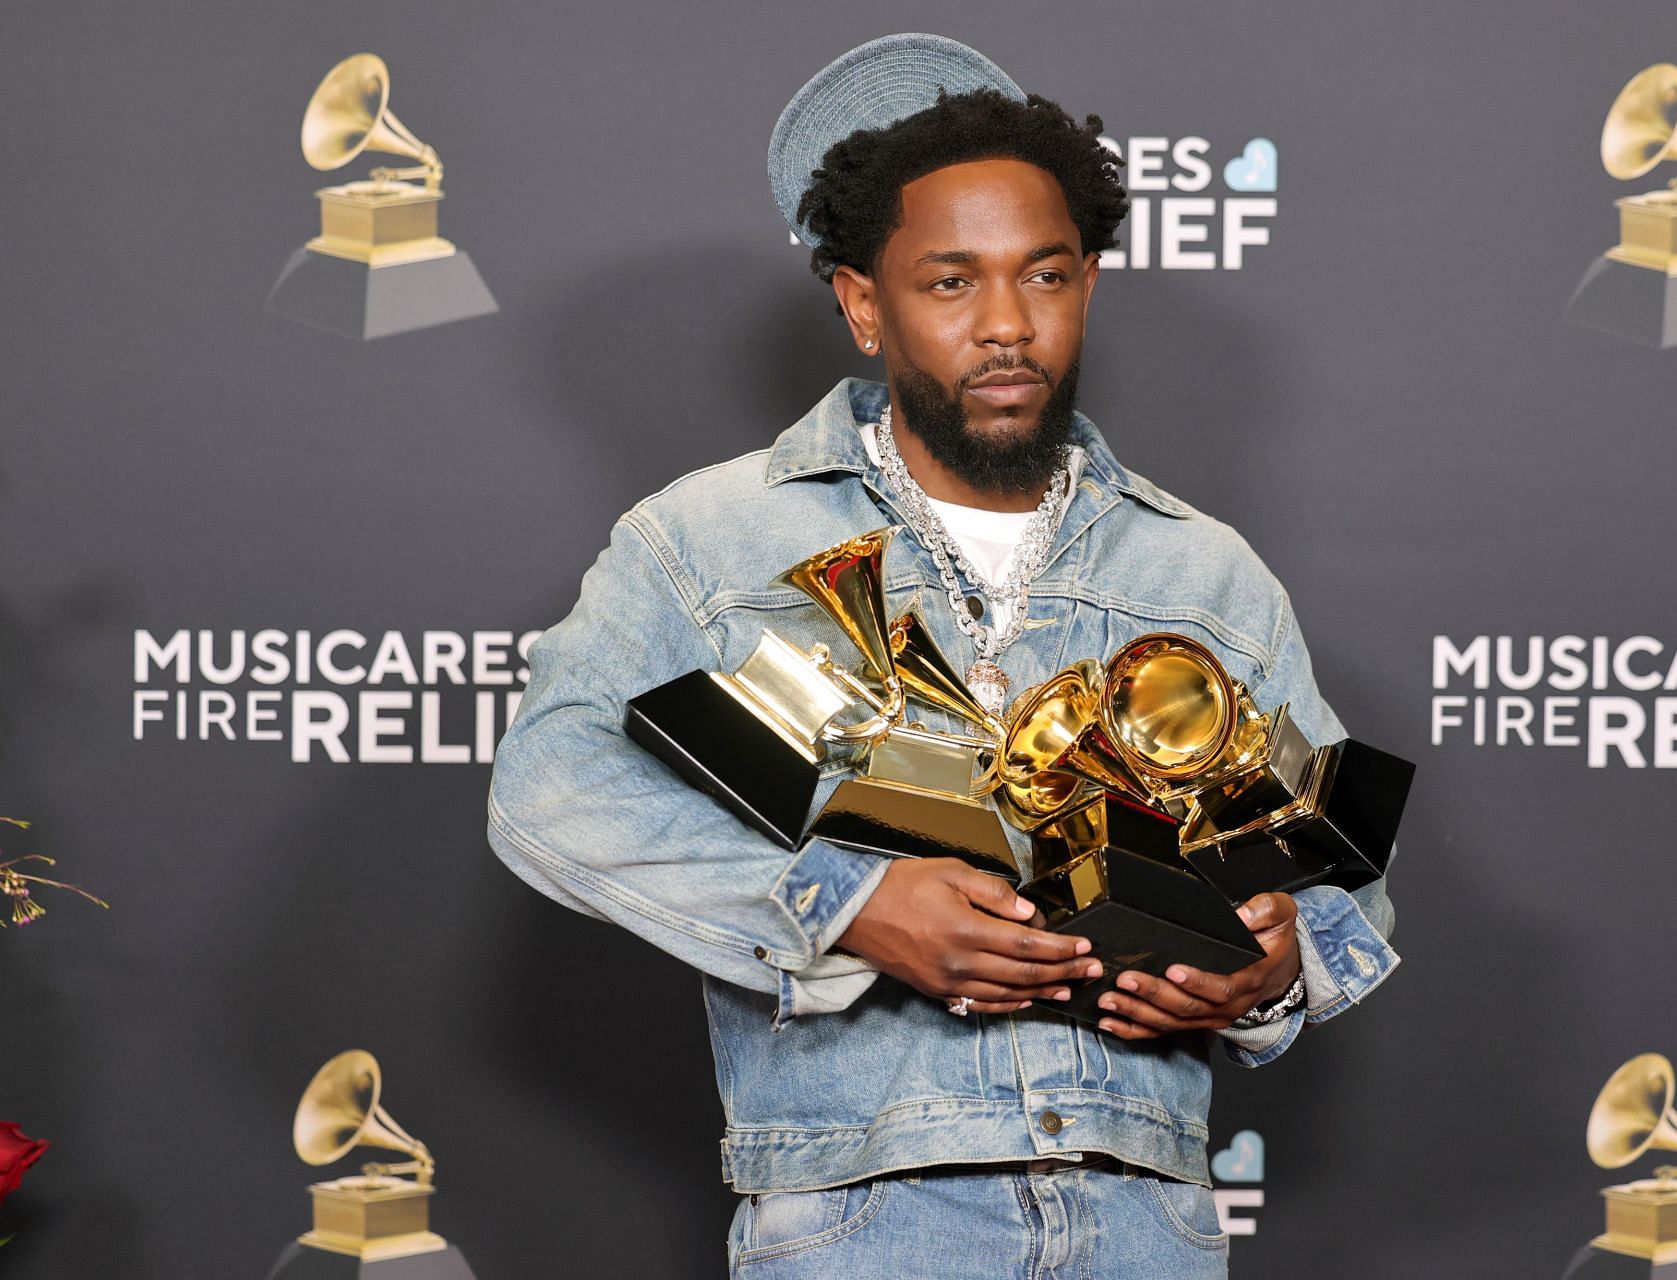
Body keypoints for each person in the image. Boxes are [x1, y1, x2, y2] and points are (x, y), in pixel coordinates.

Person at [487, 33, 1400, 1278]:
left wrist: (1269, 971)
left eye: (1047, 276)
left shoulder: (1205, 572)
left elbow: (1340, 872)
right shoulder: (706, 538)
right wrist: (850, 907)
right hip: (864, 1218)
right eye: (952, 283)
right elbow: (548, 784)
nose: (1010, 325)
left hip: (1148, 1223)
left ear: (1089, 286)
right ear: (865, 303)